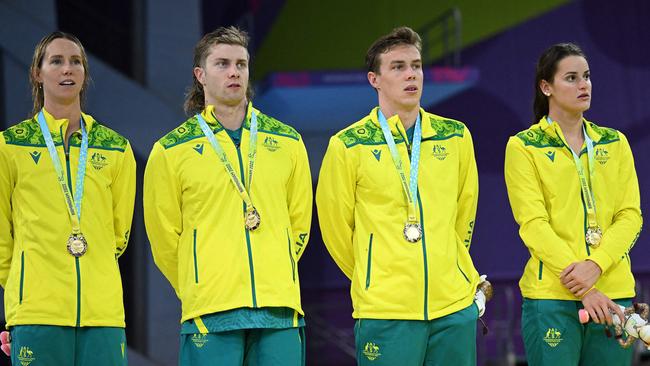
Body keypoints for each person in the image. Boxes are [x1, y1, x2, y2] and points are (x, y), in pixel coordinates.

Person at [143, 26, 312, 366]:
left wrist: (274, 266)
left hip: (279, 310)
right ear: (200, 75)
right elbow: (163, 237)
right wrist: (200, 280)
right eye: (222, 64)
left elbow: (299, 224)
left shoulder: (289, 142)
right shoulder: (171, 150)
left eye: (241, 64)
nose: (234, 71)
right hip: (210, 310)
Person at [316, 26, 482, 366]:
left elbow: (464, 214)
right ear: (374, 79)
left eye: (416, 65)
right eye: (398, 67)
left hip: (453, 308)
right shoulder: (348, 145)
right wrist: (375, 276)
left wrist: (448, 266)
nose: (411, 75)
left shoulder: (455, 136)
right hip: (385, 310)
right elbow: (335, 229)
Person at [0, 31, 136, 365]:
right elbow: (2, 235)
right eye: (56, 61)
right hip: (36, 312)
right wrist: (24, 288)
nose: (68, 69)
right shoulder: (10, 145)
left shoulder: (116, 148)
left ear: (85, 74)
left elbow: (118, 234)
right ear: (37, 73)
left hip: (103, 314)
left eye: (76, 62)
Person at [504, 43, 643, 366]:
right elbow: (533, 224)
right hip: (552, 298)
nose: (584, 85)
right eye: (571, 78)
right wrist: (583, 287)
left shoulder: (615, 142)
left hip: (614, 294)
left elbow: (630, 216)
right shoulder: (524, 147)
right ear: (546, 86)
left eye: (587, 76)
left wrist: (596, 266)